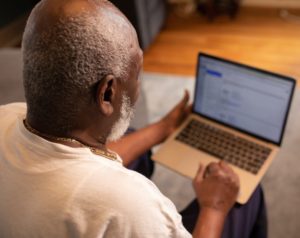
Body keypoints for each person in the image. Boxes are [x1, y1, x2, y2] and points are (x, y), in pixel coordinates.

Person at [0, 0, 267, 237]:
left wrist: (163, 128)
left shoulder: (7, 116)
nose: (139, 82)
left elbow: (68, 158)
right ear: (107, 93)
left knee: (136, 141)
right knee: (245, 194)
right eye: (137, 71)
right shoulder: (130, 207)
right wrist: (214, 207)